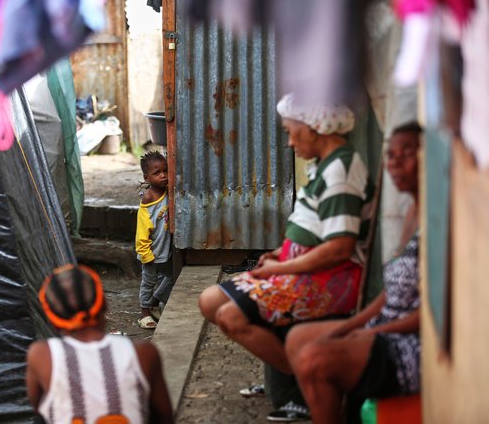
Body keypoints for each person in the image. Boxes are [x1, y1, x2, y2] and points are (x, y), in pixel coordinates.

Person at [200, 93, 374, 370]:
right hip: (303, 271)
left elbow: (339, 248)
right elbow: (314, 230)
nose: (291, 142)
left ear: (313, 126)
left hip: (331, 280)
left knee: (231, 316)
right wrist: (279, 255)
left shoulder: (340, 171)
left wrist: (283, 268)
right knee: (210, 300)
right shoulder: (325, 165)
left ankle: (301, 377)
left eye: (291, 132)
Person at [284, 122, 422, 424]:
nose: (395, 162)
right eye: (391, 154)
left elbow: (431, 313)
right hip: (387, 322)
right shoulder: (412, 212)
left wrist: (371, 332)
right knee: (297, 339)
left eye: (408, 153)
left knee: (314, 358)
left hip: (412, 344)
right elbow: (392, 294)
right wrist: (355, 326)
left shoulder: (438, 223)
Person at [26, 264, 174, 424]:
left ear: (52, 319)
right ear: (104, 304)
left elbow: (33, 409)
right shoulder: (143, 353)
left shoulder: (41, 355)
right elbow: (165, 416)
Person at [135, 151, 173, 329]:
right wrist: (145, 254)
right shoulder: (148, 198)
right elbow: (142, 231)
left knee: (173, 275)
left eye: (165, 171)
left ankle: (155, 301)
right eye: (157, 173)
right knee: (148, 282)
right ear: (146, 177)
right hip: (151, 252)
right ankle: (144, 314)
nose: (163, 175)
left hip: (166, 250)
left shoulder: (167, 191)